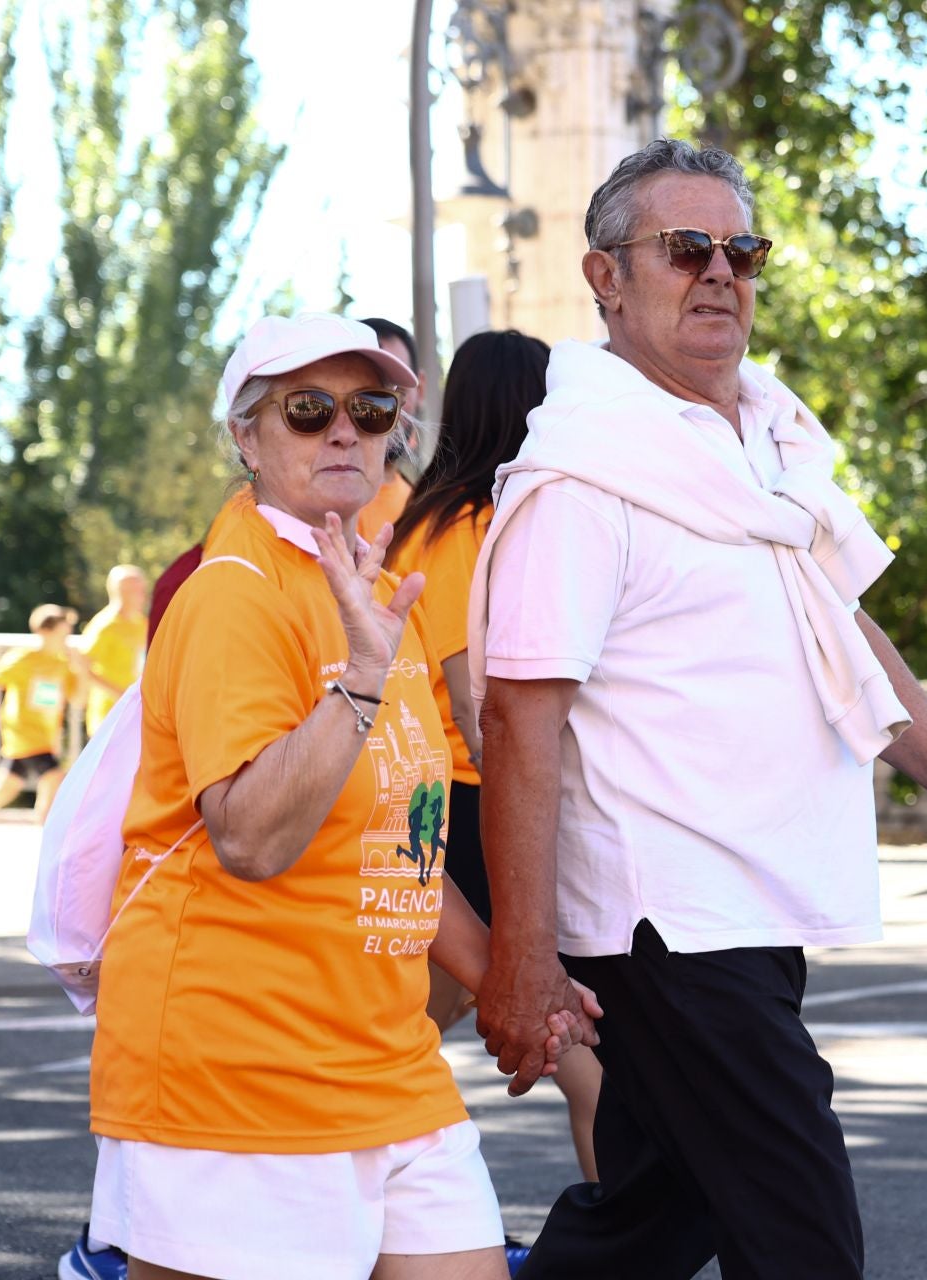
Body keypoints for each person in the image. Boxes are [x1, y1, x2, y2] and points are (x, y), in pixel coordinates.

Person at [471, 140, 927, 1279]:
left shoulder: (769, 445)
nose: (720, 272)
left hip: (756, 900)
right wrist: (519, 959)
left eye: (742, 250)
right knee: (800, 1228)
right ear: (606, 278)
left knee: (660, 1209)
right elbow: (518, 723)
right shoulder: (583, 477)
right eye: (686, 249)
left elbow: (841, 631)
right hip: (667, 917)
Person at [76, 313, 589, 1280]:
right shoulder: (235, 591)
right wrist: (358, 678)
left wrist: (520, 986)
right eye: (307, 410)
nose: (345, 431)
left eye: (371, 408)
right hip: (238, 1071)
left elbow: (406, 850)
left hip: (387, 1063)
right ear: (246, 436)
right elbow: (250, 839)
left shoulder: (373, 588)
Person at [387, 328, 603, 1184]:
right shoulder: (470, 527)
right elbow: (480, 709)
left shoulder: (433, 518)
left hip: (439, 800)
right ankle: (620, 1232)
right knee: (581, 1059)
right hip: (463, 800)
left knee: (403, 1028)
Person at [0, 604, 82, 859]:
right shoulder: (25, 658)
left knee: (5, 788)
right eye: (64, 629)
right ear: (46, 631)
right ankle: (48, 835)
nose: (68, 634)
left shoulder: (62, 663)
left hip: (45, 738)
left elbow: (79, 698)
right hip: (24, 735)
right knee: (54, 776)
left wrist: (82, 669)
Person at [357, 316, 422, 545]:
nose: (383, 408)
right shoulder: (313, 505)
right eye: (366, 396)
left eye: (398, 391)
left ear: (421, 389)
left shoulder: (423, 507)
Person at [77, 565, 149, 735]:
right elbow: (82, 666)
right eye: (136, 590)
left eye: (142, 589)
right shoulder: (105, 625)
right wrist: (120, 694)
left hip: (135, 714)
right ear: (120, 591)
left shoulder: (142, 623)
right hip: (108, 716)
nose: (143, 595)